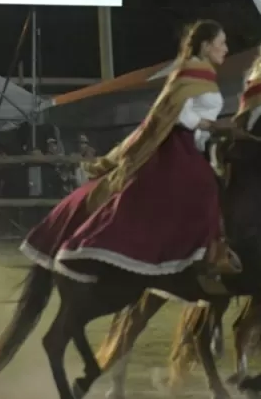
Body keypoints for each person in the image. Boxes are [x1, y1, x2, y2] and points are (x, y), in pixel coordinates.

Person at [51, 20, 240, 290]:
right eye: (221, 43)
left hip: (199, 143)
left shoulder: (204, 74)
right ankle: (207, 258)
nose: (226, 48)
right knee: (205, 186)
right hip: (179, 142)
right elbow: (180, 115)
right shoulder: (188, 74)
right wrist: (213, 125)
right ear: (206, 45)